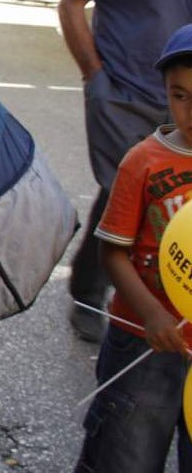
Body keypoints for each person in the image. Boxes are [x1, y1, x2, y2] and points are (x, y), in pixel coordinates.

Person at [59, 0, 192, 342]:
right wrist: (94, 75)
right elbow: (71, 4)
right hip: (121, 93)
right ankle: (91, 295)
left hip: (182, 98)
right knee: (125, 189)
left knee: (170, 198)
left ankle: (163, 294)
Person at [73, 25, 192, 473]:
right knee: (124, 456)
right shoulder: (143, 161)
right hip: (143, 344)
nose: (191, 109)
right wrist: (151, 314)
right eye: (179, 95)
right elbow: (112, 252)